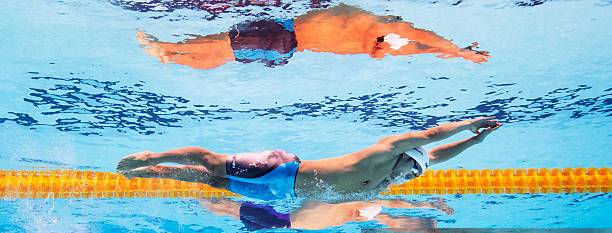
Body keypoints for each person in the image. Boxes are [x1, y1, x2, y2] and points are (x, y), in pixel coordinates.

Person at [117, 117, 502, 200]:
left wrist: (476, 144)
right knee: (210, 161)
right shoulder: (383, 153)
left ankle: (153, 173)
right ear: (405, 157)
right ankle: (151, 155)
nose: (414, 176)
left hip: (281, 192)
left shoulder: (393, 177)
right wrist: (472, 124)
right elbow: (433, 137)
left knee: (210, 182)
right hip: (282, 168)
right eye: (414, 168)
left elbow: (438, 153)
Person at [135, 4, 489, 69]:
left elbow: (418, 35)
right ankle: (172, 58)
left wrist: (459, 50)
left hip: (283, 35)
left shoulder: (372, 25)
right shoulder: (372, 46)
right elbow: (417, 47)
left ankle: (163, 46)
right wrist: (457, 54)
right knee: (226, 55)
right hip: (287, 51)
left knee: (222, 42)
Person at [199, 197, 453, 230]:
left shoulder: (354, 209)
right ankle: (195, 196)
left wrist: (429, 207)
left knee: (222, 208)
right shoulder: (350, 208)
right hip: (280, 221)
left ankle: (192, 194)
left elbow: (392, 209)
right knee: (223, 209)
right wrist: (427, 209)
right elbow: (392, 212)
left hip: (279, 220)